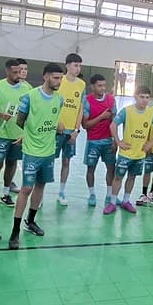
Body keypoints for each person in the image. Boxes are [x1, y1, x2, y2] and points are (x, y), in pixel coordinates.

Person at [8, 63, 65, 249]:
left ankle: (30, 221)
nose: (59, 81)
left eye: (61, 78)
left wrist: (58, 126)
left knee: (41, 186)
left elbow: (53, 120)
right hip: (32, 152)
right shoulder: (30, 97)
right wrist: (28, 135)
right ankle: (15, 231)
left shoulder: (60, 99)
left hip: (49, 152)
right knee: (26, 189)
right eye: (56, 77)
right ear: (46, 77)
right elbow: (20, 121)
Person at [104, 85, 153, 215]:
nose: (145, 100)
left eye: (147, 98)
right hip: (126, 153)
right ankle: (112, 203)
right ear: (136, 97)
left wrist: (150, 143)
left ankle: (126, 201)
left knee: (132, 177)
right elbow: (113, 125)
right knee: (118, 177)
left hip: (140, 154)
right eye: (142, 97)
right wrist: (118, 141)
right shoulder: (127, 111)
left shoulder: (151, 113)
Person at [0, 58, 31, 211]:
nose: (18, 74)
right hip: (1, 134)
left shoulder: (27, 88)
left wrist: (26, 133)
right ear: (7, 71)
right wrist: (0, 114)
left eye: (20, 71)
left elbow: (32, 112)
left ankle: (6, 194)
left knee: (11, 164)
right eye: (14, 72)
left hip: (17, 135)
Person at [81, 74, 118, 208]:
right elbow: (85, 125)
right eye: (99, 86)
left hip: (108, 140)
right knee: (91, 168)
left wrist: (116, 140)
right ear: (92, 86)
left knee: (111, 168)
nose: (103, 88)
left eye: (104, 85)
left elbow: (114, 121)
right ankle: (91, 194)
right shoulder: (87, 101)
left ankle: (109, 194)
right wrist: (101, 117)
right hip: (93, 141)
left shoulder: (111, 100)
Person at [55, 53, 85, 206]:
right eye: (75, 65)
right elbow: (52, 103)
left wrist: (76, 130)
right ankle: (39, 194)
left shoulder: (81, 84)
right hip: (56, 130)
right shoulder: (59, 81)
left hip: (71, 132)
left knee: (66, 162)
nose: (78, 68)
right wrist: (56, 123)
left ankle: (61, 192)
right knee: (47, 161)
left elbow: (80, 108)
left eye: (80, 65)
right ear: (67, 66)